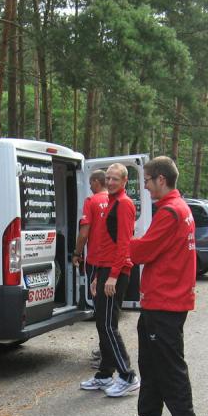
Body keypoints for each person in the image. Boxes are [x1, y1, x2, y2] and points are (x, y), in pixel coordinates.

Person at [120, 156, 199, 416]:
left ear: (161, 179)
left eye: (148, 181)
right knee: (150, 365)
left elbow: (143, 251)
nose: (146, 187)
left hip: (166, 302)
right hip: (158, 300)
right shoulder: (178, 208)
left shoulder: (170, 212)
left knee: (170, 370)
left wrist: (127, 240)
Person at [78, 163, 140, 398]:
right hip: (104, 270)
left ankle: (128, 376)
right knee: (102, 324)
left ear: (124, 182)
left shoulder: (123, 204)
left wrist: (113, 275)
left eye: (115, 179)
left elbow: (124, 244)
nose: (111, 182)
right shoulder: (111, 202)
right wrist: (97, 276)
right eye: (108, 178)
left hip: (116, 272)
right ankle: (105, 374)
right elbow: (105, 244)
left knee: (107, 325)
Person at [72, 170, 109, 369]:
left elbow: (84, 233)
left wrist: (77, 253)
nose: (90, 186)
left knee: (100, 309)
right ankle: (105, 348)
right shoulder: (115, 200)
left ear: (96, 182)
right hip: (111, 261)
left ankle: (107, 353)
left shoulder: (92, 201)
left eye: (91, 182)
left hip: (96, 260)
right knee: (108, 310)